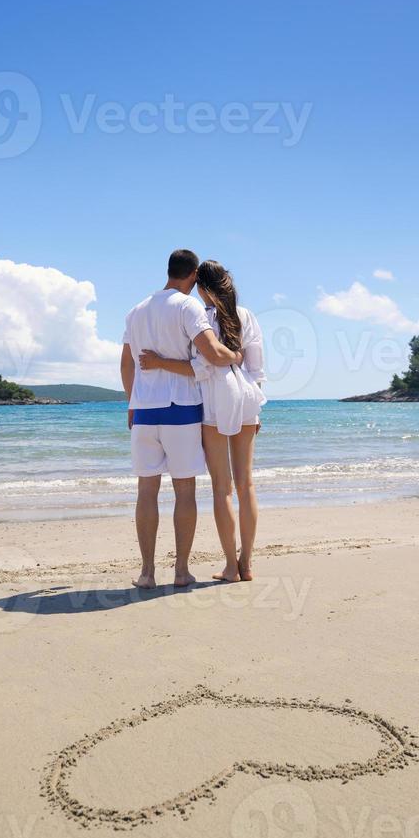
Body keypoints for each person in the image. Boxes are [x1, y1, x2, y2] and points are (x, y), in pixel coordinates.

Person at [120, 250, 242, 589]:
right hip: (181, 408)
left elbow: (126, 365)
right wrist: (236, 355)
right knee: (184, 491)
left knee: (146, 491)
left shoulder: (136, 310)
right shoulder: (186, 306)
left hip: (144, 411)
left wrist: (132, 401)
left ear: (169, 270)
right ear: (191, 275)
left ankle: (146, 573)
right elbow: (213, 353)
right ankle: (181, 571)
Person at [139, 260, 266, 583]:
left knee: (222, 488)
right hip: (247, 401)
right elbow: (257, 369)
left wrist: (158, 362)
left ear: (203, 289)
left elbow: (201, 368)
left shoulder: (202, 319)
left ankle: (229, 566)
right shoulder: (246, 315)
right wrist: (256, 409)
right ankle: (246, 563)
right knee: (246, 484)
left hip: (212, 406)